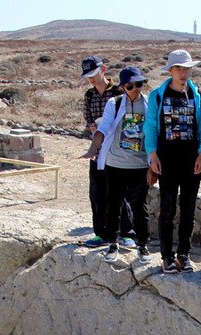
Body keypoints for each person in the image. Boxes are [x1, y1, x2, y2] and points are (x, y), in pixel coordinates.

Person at [144, 49, 201, 274]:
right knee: (168, 208)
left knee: (189, 210)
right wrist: (152, 154)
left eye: (186, 68)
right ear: (170, 70)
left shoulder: (198, 95)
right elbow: (151, 125)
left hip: (192, 159)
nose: (183, 73)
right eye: (178, 68)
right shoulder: (158, 95)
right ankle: (166, 256)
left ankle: (184, 254)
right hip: (167, 158)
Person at [81, 67, 152, 265]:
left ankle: (142, 245)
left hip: (139, 164)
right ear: (123, 87)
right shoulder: (115, 103)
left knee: (140, 207)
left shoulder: (148, 104)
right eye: (130, 86)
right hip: (115, 164)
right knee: (114, 205)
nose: (136, 89)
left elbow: (154, 131)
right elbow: (103, 127)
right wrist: (94, 148)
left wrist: (154, 162)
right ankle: (113, 244)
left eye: (139, 84)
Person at [80, 55, 133, 249]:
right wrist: (92, 127)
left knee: (121, 193)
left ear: (104, 69)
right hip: (98, 149)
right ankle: (102, 233)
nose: (91, 79)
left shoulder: (120, 92)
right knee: (97, 192)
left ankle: (127, 233)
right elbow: (88, 119)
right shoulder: (89, 96)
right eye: (88, 76)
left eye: (94, 74)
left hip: (118, 150)